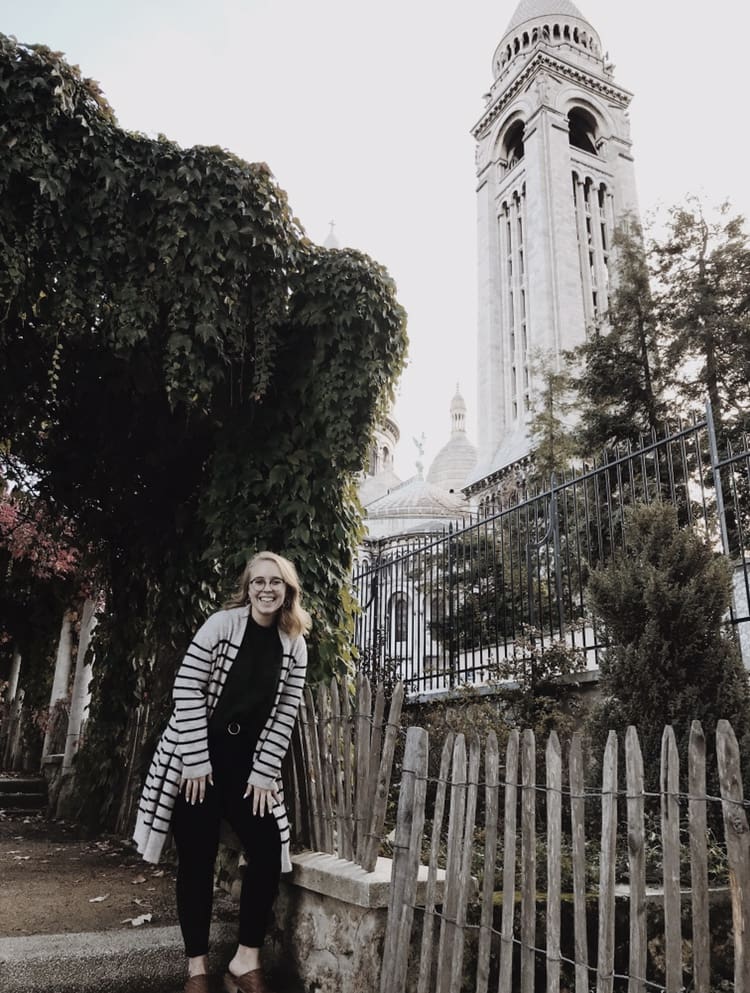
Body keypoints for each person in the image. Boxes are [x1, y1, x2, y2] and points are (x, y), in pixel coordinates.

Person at [133, 551, 311, 993]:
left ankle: (244, 959)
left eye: (275, 583)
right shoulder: (222, 624)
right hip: (197, 755)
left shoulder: (294, 642)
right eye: (258, 582)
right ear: (247, 587)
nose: (266, 590)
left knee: (268, 849)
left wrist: (265, 771)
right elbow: (187, 687)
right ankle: (196, 968)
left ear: (288, 590)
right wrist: (194, 759)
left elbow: (287, 709)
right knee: (196, 858)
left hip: (248, 763)